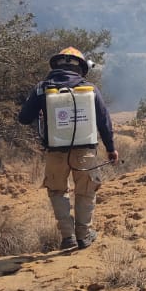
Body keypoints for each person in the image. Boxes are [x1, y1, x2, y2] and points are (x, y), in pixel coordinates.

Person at [17, 46, 118, 250]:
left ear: (56, 65)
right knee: (86, 191)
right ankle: (84, 234)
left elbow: (24, 118)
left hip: (55, 150)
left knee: (57, 191)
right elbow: (104, 121)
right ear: (80, 67)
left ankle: (67, 237)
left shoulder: (42, 88)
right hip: (86, 151)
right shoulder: (90, 89)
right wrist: (111, 148)